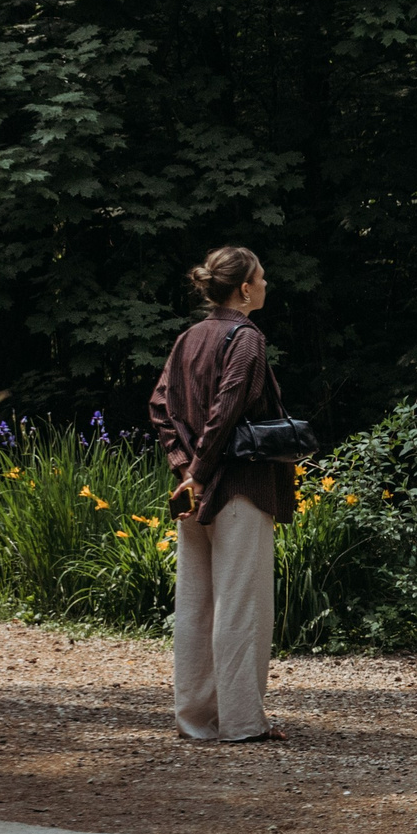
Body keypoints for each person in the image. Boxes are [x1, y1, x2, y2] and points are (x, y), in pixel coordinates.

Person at [149, 245, 298, 744]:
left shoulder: (189, 337)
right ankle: (241, 724)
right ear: (244, 288)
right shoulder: (247, 339)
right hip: (239, 488)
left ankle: (196, 722)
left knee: (195, 609)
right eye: (262, 275)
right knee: (240, 606)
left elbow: (159, 407)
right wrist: (200, 470)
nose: (266, 283)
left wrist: (185, 471)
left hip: (192, 491)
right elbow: (227, 409)